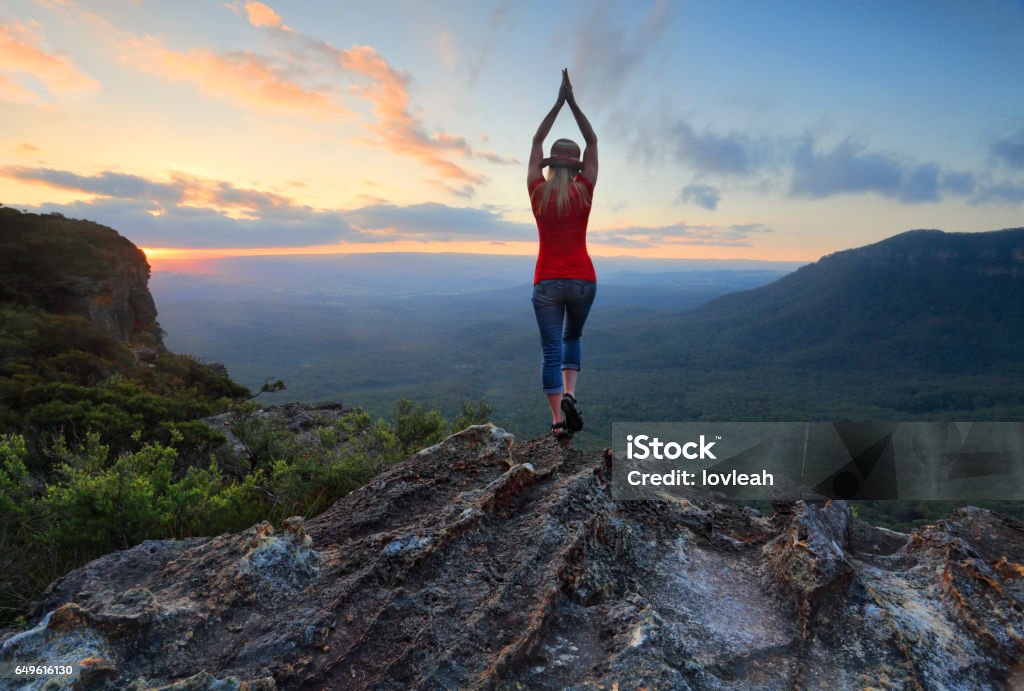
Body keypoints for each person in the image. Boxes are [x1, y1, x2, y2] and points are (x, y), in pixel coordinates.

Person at [527, 68, 598, 442]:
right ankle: (571, 395)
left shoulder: (537, 191)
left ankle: (557, 422)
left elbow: (537, 139)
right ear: (577, 166)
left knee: (550, 349)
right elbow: (593, 141)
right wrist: (573, 102)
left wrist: (556, 104)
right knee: (573, 338)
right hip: (584, 280)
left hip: (548, 281)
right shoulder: (585, 191)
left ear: (551, 164)